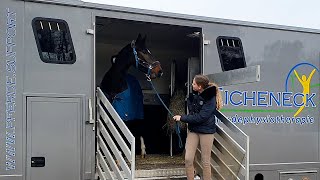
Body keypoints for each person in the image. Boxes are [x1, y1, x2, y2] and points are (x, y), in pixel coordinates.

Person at [173, 74, 223, 180]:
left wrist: (181, 118)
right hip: (194, 130)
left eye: (194, 83)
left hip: (206, 131)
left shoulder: (210, 99)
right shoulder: (195, 95)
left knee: (205, 161)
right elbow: (193, 113)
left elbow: (200, 117)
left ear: (200, 86)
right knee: (188, 159)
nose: (191, 84)